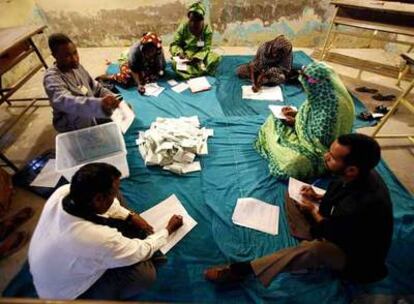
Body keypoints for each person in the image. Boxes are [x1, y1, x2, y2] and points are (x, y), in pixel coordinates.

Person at [205, 134, 393, 286]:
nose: (326, 156)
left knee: (315, 250)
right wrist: (317, 197)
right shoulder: (358, 174)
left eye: (333, 157)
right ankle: (306, 238)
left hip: (355, 258)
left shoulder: (363, 204)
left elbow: (332, 229)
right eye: (329, 151)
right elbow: (340, 192)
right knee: (295, 194)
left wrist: (312, 211)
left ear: (351, 170)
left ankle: (243, 270)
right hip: (340, 226)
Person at [29, 163, 183, 300]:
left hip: (58, 268)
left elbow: (113, 205)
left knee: (117, 202)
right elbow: (141, 251)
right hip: (69, 296)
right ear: (98, 199)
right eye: (113, 191)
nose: (116, 194)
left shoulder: (64, 192)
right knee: (144, 275)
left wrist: (130, 216)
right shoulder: (95, 237)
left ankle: (121, 235)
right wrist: (167, 230)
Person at [255, 61, 355, 180]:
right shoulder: (326, 93)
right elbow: (311, 115)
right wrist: (297, 115)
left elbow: (317, 142)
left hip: (326, 152)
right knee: (275, 118)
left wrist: (294, 122)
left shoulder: (331, 110)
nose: (306, 88)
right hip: (322, 144)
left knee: (293, 164)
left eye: (308, 84)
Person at [44, 33, 120, 133]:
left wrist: (114, 99)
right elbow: (68, 103)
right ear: (55, 56)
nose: (75, 59)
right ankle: (88, 136)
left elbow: (96, 88)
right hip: (70, 121)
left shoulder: (76, 67)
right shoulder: (51, 78)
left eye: (75, 52)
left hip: (92, 111)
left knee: (116, 109)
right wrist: (100, 106)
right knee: (80, 113)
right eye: (67, 55)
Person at [101, 32, 166, 95]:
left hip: (144, 64)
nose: (149, 54)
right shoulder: (134, 51)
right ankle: (108, 77)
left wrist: (157, 72)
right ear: (143, 48)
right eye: (147, 51)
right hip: (127, 61)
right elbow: (133, 69)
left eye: (152, 51)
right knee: (127, 77)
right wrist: (139, 84)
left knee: (149, 78)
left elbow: (160, 68)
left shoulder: (158, 52)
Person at [169, 2, 221, 79]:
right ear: (189, 19)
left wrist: (198, 57)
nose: (193, 24)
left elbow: (206, 47)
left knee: (215, 57)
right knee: (174, 64)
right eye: (191, 20)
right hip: (186, 55)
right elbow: (174, 44)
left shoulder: (207, 29)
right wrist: (179, 53)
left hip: (201, 55)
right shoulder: (183, 27)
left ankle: (191, 72)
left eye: (197, 21)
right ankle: (201, 71)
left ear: (202, 20)